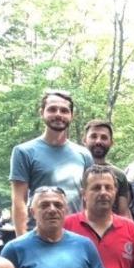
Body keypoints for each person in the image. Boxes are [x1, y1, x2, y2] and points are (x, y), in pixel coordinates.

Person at [9, 89, 92, 235]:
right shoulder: (24, 152)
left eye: (64, 110)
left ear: (72, 115)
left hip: (74, 235)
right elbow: (19, 201)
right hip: (38, 234)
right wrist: (21, 240)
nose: (58, 114)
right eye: (52, 109)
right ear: (42, 113)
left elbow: (88, 200)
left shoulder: (84, 154)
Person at [83, 120, 131, 218]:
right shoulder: (77, 170)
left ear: (111, 142)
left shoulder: (119, 175)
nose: (98, 141)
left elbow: (124, 212)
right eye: (93, 136)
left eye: (104, 138)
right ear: (84, 140)